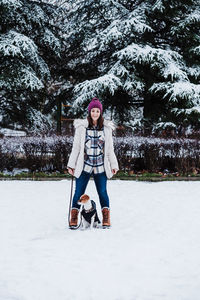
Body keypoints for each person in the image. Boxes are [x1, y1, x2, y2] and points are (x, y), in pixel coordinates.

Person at [67, 97, 119, 229]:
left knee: (102, 191)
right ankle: (74, 216)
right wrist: (71, 165)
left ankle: (106, 216)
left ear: (100, 112)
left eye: (97, 111)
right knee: (78, 192)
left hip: (101, 166)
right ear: (89, 112)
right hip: (84, 165)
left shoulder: (106, 129)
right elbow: (76, 148)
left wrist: (114, 165)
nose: (95, 113)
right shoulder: (81, 128)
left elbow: (110, 150)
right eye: (93, 111)